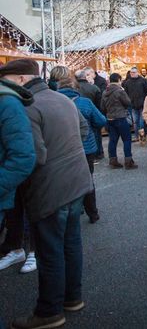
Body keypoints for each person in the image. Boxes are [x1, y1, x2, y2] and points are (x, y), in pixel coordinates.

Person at [1, 59, 92, 329]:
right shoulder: (62, 98)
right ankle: (72, 298)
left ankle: (49, 311)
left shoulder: (27, 107)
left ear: (19, 79)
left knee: (50, 250)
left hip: (51, 188)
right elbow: (84, 131)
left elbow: (34, 156)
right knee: (71, 243)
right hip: (77, 182)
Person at [54, 67, 107, 224]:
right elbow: (101, 121)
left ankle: (73, 210)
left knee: (67, 180)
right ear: (75, 88)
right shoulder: (85, 103)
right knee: (87, 179)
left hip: (62, 148)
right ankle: (93, 212)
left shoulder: (53, 103)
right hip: (86, 147)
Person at [0, 67, 35, 278]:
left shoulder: (10, 101)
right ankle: (16, 248)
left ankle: (31, 250)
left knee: (30, 211)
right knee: (17, 212)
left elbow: (25, 155)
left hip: (28, 171)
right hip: (13, 174)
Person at [101, 73, 138, 169]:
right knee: (126, 139)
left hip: (110, 118)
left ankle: (113, 161)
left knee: (112, 140)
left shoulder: (105, 92)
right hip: (121, 118)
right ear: (118, 80)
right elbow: (128, 102)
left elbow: (102, 107)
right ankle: (128, 162)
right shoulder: (120, 91)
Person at [77, 68, 104, 161]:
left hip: (78, 115)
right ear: (85, 77)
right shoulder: (94, 88)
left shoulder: (74, 88)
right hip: (93, 113)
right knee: (96, 135)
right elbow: (99, 104)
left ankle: (88, 154)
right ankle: (98, 153)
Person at [122, 66, 147, 143]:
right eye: (131, 72)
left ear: (137, 72)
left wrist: (145, 100)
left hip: (142, 105)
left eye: (134, 72)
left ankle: (143, 137)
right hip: (133, 105)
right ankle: (137, 136)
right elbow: (126, 93)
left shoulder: (143, 81)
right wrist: (129, 101)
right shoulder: (128, 82)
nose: (132, 74)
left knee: (142, 121)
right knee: (135, 122)